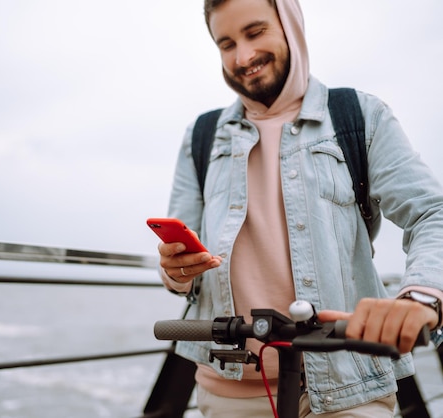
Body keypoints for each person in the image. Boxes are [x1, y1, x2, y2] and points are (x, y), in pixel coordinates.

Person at [156, 0, 443, 416]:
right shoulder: (202, 136)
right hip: (226, 390)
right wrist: (175, 270)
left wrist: (418, 299)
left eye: (255, 33)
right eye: (226, 43)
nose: (243, 56)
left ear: (291, 26)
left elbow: (431, 212)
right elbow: (178, 266)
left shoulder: (360, 115)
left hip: (348, 388)